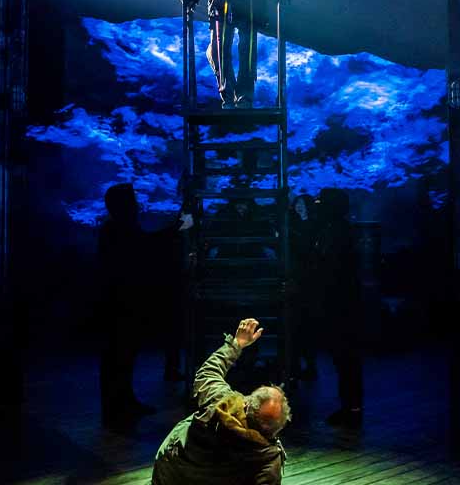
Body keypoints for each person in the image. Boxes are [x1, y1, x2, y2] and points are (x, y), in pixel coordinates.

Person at [96, 183, 193, 425]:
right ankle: (118, 405)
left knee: (122, 356)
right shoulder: (118, 229)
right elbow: (145, 247)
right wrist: (177, 227)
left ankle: (122, 401)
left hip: (120, 302)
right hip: (122, 303)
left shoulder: (114, 228)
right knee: (120, 355)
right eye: (132, 199)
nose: (137, 204)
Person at [152, 318, 289, 484]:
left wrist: (237, 344)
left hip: (172, 474)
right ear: (276, 431)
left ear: (245, 404)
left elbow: (208, 372)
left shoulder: (220, 401)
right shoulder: (268, 461)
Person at [311, 188, 363, 427]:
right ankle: (351, 406)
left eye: (321, 202)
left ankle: (351, 407)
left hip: (339, 304)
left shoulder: (334, 232)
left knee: (345, 356)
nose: (317, 206)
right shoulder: (341, 229)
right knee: (345, 357)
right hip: (344, 303)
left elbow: (330, 269)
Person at [288, 194, 321, 380]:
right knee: (296, 324)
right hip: (297, 278)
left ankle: (308, 364)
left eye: (302, 203)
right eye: (297, 203)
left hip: (309, 280)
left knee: (307, 325)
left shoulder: (314, 225)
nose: (299, 206)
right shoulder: (291, 224)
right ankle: (296, 366)